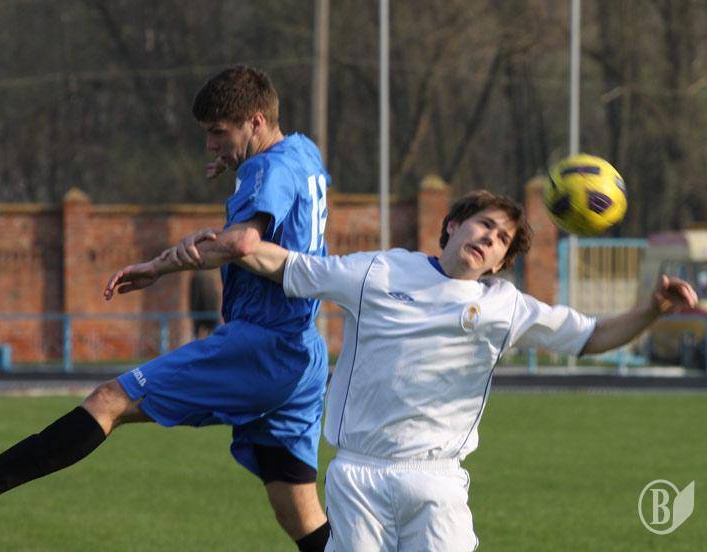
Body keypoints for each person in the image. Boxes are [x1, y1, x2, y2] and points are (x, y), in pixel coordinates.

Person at [0, 65, 332, 551]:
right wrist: (238, 172)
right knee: (299, 511)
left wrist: (159, 265)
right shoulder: (303, 152)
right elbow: (279, 221)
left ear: (255, 121)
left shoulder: (266, 169)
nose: (211, 145)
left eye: (219, 133)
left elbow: (241, 244)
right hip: (304, 354)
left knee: (110, 400)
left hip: (261, 345)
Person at [182, 189, 698, 551]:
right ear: (452, 226)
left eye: (501, 239)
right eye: (484, 225)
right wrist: (224, 246)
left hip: (437, 481)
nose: (489, 238)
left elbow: (592, 336)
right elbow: (290, 267)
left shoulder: (505, 307)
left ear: (499, 263)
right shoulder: (381, 271)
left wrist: (653, 309)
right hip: (359, 475)